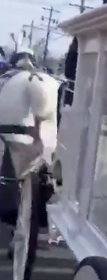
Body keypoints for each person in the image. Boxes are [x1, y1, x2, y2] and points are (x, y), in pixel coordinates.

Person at [0, 39, 59, 251]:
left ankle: (19, 228)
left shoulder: (6, 79)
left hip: (11, 136)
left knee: (17, 181)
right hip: (38, 138)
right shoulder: (45, 80)